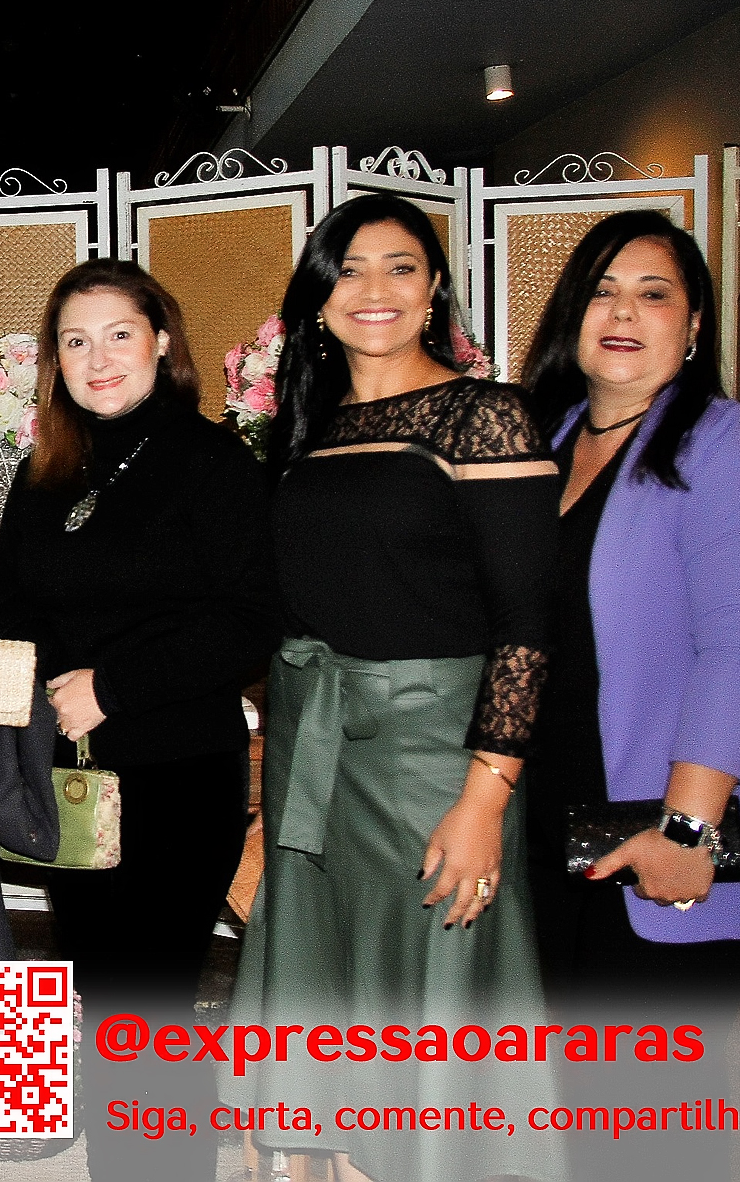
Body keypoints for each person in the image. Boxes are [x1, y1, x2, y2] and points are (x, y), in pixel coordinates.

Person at [225, 193, 564, 1182]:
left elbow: (525, 627)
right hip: (315, 751)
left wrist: (484, 798)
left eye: (400, 266)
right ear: (317, 297)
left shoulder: (483, 414)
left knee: (428, 1001)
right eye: (349, 269)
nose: (373, 289)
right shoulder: (308, 429)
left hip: (432, 758)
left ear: (433, 289)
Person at [520, 210, 740, 1181]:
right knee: (587, 1115)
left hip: (660, 827)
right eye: (602, 291)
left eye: (652, 293)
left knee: (643, 1126)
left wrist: (686, 828)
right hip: (556, 829)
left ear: (694, 324)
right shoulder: (548, 440)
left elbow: (737, 654)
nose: (623, 312)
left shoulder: (723, 448)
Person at [0, 259, 277, 1179]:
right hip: (73, 779)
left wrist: (115, 684)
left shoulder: (215, 463)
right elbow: (4, 596)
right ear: (55, 362)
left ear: (162, 342)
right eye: (75, 341)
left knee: (151, 1007)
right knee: (105, 1003)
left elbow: (252, 616)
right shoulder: (48, 469)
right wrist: (41, 669)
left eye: (118, 335)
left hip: (178, 771)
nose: (98, 358)